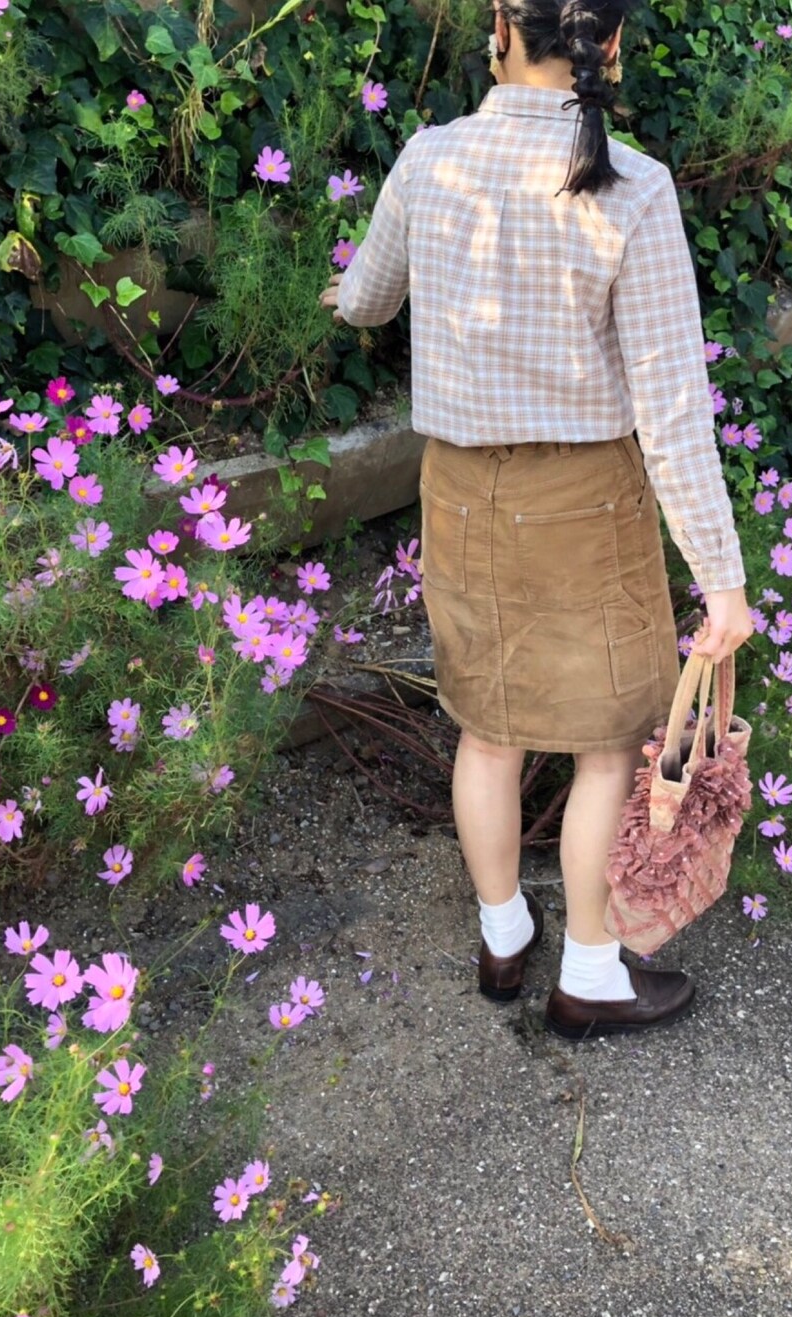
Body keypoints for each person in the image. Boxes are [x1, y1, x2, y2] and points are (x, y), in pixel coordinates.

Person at [319, 0, 754, 1041]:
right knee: (606, 743)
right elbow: (671, 409)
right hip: (583, 503)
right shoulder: (633, 186)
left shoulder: (429, 160)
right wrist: (722, 579)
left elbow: (368, 300)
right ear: (612, 45)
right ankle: (591, 973)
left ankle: (503, 935)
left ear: (500, 29)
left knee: (488, 727)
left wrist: (342, 296)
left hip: (462, 493)